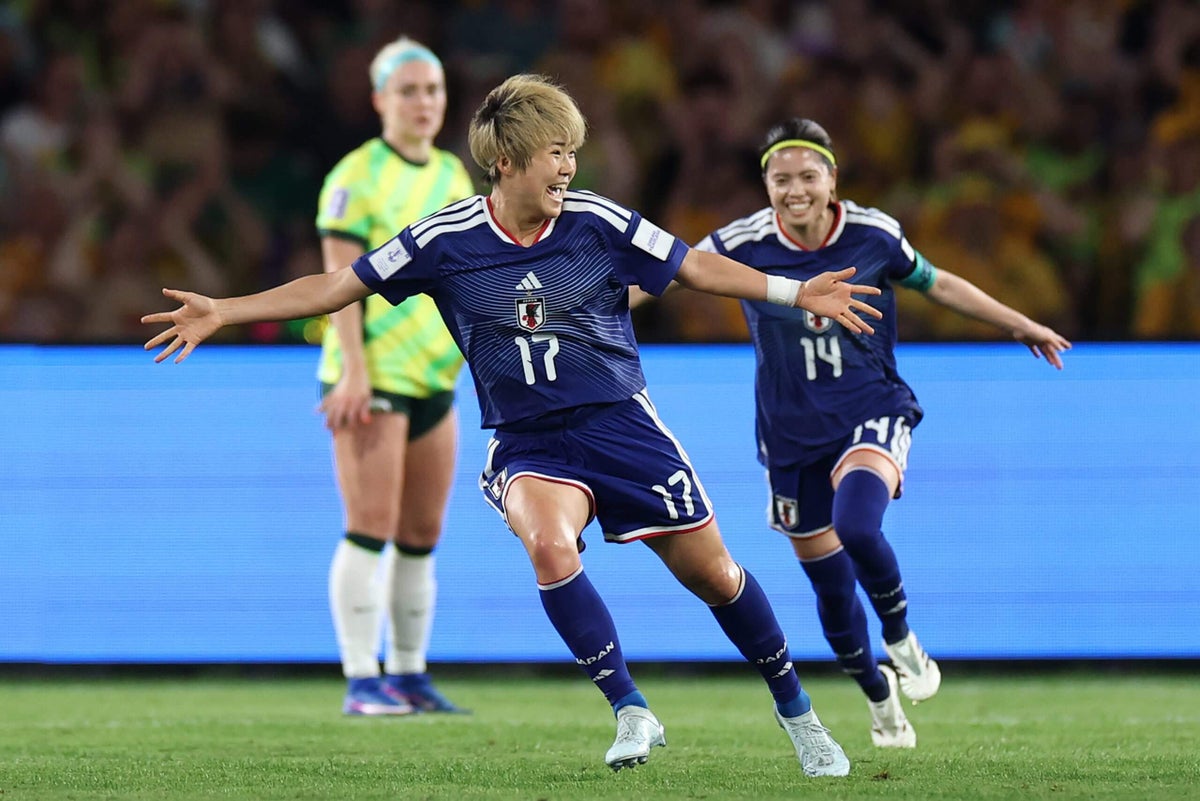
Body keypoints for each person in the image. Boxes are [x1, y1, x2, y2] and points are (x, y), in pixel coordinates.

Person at [143, 75, 885, 777]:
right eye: (555, 152)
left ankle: (799, 711)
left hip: (621, 423)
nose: (568, 166)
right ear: (507, 162)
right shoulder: (446, 238)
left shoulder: (597, 221)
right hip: (530, 439)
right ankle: (630, 707)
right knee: (548, 541)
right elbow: (338, 286)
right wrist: (226, 309)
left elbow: (693, 268)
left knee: (717, 577)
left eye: (572, 151)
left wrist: (795, 291)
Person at [694, 118, 1071, 749]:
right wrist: (583, 304)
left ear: (832, 179)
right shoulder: (741, 241)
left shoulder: (873, 234)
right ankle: (878, 693)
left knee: (859, 524)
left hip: (870, 409)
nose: (795, 191)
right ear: (765, 183)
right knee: (832, 592)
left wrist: (1017, 322)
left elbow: (938, 281)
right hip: (789, 436)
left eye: (808, 176)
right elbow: (669, 269)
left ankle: (902, 639)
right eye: (780, 179)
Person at [315, 36, 475, 716]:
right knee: (369, 525)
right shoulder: (356, 175)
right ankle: (361, 678)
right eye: (408, 90)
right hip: (373, 371)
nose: (423, 102)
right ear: (379, 98)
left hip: (434, 372)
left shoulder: (453, 176)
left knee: (420, 532)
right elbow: (337, 283)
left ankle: (408, 674)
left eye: (432, 90)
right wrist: (352, 369)